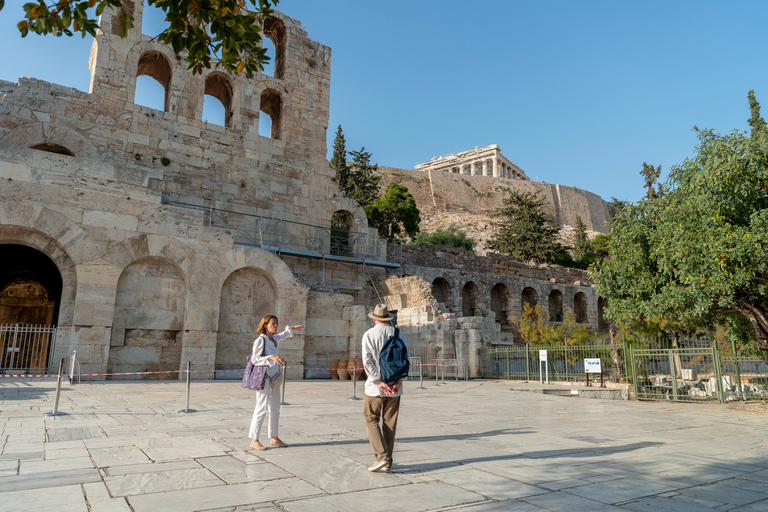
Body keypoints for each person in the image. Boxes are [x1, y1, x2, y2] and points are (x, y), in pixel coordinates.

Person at [361, 303, 408, 472]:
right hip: (395, 387)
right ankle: (387, 459)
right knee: (390, 423)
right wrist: (398, 382)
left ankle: (381, 457)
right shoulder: (398, 333)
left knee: (371, 418)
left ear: (374, 318)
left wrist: (379, 382)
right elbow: (406, 359)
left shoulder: (369, 334)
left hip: (375, 388)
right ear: (388, 318)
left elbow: (367, 361)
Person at [248, 315, 303, 450]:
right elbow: (255, 359)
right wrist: (271, 357)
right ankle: (254, 439)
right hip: (264, 378)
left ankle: (274, 437)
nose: (275, 326)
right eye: (273, 323)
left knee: (275, 408)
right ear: (265, 325)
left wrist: (291, 328)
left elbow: (284, 334)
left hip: (275, 378)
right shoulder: (260, 340)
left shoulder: (273, 339)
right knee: (261, 407)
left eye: (276, 323)